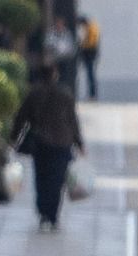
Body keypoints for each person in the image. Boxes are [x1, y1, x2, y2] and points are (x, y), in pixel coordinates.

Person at [12, 64, 84, 232]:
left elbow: (21, 118)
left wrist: (13, 138)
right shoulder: (65, 94)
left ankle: (43, 212)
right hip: (62, 143)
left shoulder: (34, 94)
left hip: (41, 144)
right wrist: (79, 143)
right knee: (57, 181)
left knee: (41, 179)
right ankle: (52, 215)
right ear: (55, 75)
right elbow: (73, 121)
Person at [45, 17, 80, 94]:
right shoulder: (51, 33)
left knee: (64, 75)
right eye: (58, 24)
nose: (59, 25)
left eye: (60, 24)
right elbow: (47, 43)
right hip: (55, 58)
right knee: (54, 75)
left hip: (65, 58)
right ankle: (54, 90)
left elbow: (71, 46)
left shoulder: (67, 34)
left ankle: (64, 90)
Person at [77, 15, 101, 100]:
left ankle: (92, 94)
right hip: (89, 53)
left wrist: (81, 44)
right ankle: (92, 94)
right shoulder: (91, 27)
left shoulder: (91, 28)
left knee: (90, 74)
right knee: (90, 74)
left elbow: (90, 42)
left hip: (89, 54)